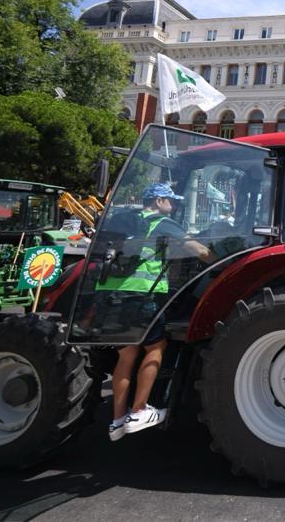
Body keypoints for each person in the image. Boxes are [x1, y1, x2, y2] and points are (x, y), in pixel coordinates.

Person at [105, 182, 212, 441]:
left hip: (111, 294)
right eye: (169, 200)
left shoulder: (124, 219)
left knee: (127, 354)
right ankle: (139, 410)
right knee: (155, 348)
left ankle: (117, 420)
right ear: (158, 201)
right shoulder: (161, 222)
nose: (172, 205)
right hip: (141, 295)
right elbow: (198, 250)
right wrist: (218, 259)